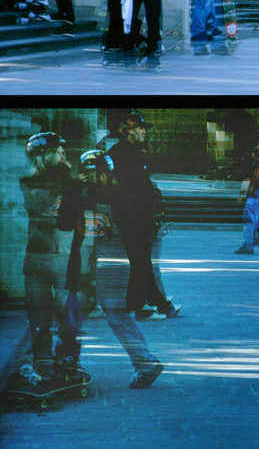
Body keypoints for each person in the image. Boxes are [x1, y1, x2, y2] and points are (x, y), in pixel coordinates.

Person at [77, 149, 164, 388]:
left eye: (95, 174)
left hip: (114, 263)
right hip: (101, 262)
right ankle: (143, 362)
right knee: (95, 312)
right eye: (87, 174)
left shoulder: (116, 195)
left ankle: (145, 362)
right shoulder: (99, 193)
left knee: (116, 313)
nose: (91, 179)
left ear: (106, 173)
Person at [19, 132, 84, 382]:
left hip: (55, 256)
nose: (63, 156)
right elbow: (48, 209)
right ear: (45, 155)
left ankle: (59, 360)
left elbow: (68, 219)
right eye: (58, 152)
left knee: (60, 311)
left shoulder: (63, 183)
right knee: (43, 313)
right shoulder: (33, 182)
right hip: (41, 257)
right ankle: (50, 362)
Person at [106, 110, 181, 320]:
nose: (143, 132)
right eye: (138, 128)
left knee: (141, 260)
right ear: (125, 131)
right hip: (133, 215)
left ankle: (152, 302)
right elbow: (130, 186)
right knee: (140, 260)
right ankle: (142, 307)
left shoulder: (131, 152)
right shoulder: (121, 153)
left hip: (137, 214)